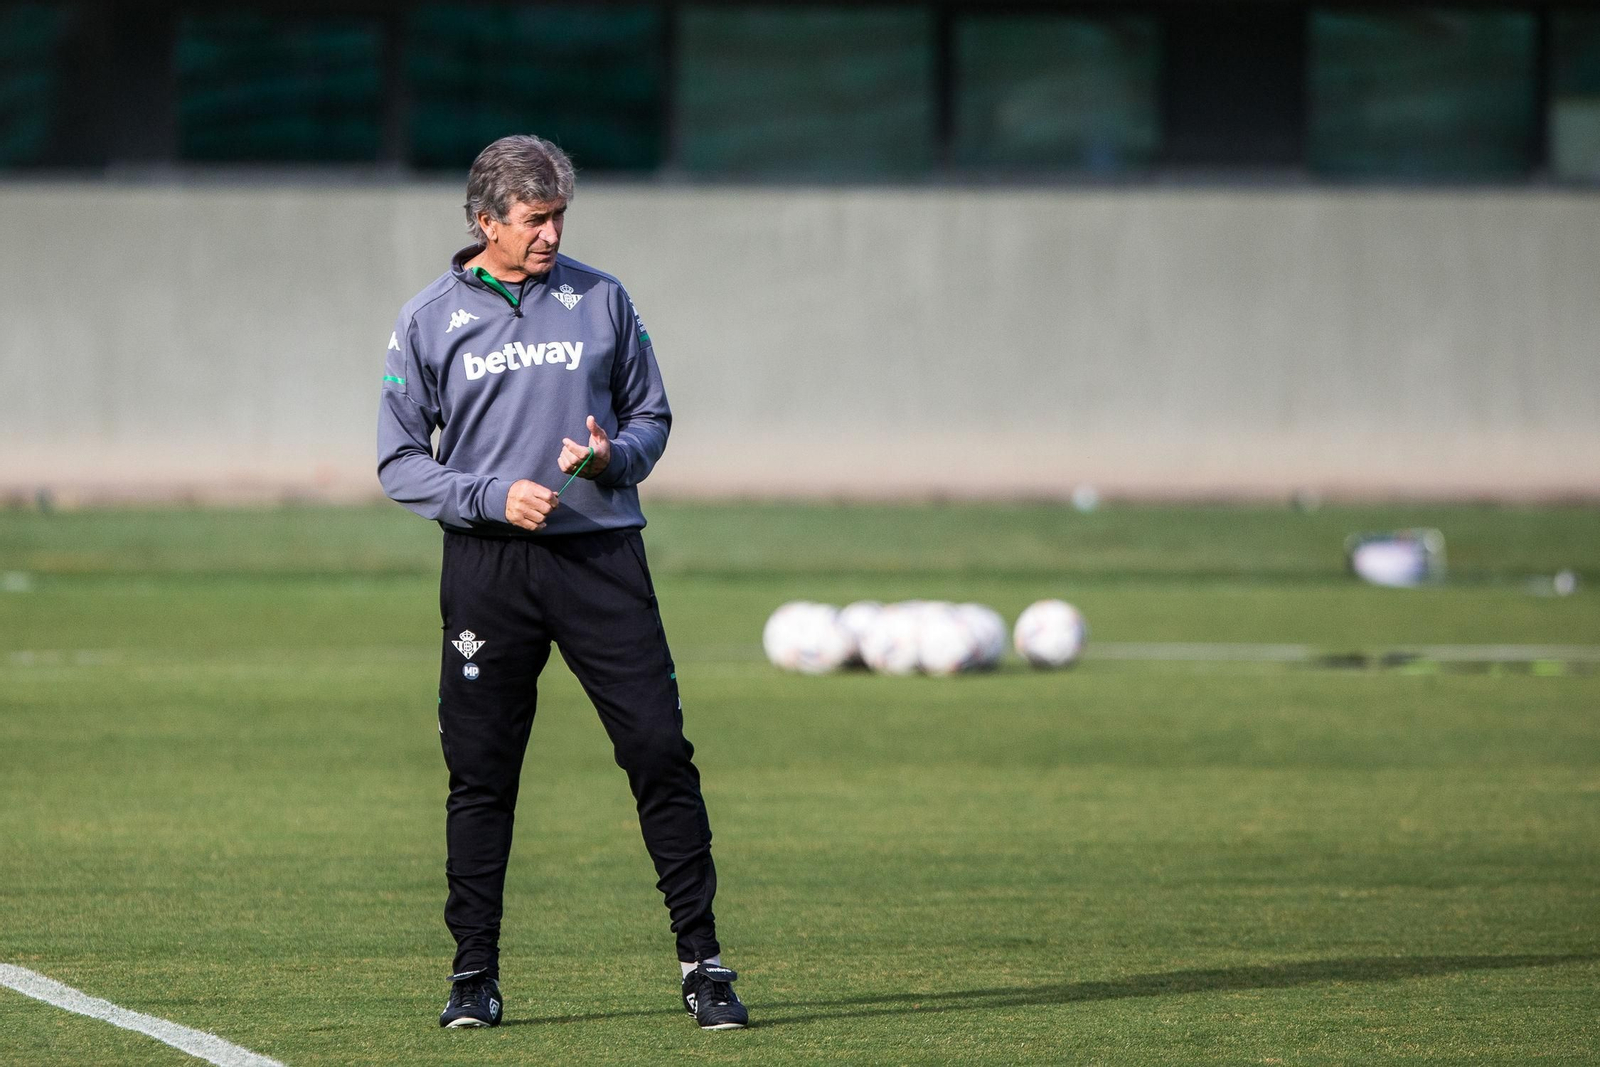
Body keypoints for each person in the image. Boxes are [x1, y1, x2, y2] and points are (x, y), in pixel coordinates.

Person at [376, 134, 746, 1031]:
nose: (550, 234)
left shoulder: (604, 298)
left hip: (602, 559)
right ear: (485, 222)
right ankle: (473, 973)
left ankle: (704, 962)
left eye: (558, 217)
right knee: (481, 774)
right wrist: (492, 495)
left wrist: (616, 455)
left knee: (659, 752)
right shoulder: (428, 319)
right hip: (488, 570)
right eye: (535, 219)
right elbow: (397, 462)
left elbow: (654, 415)